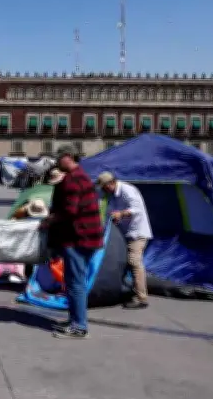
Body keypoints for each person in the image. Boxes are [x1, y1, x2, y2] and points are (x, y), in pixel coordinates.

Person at [40, 145, 103, 339]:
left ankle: (79, 326)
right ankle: (75, 319)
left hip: (78, 238)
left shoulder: (73, 179)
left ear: (67, 157)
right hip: (87, 237)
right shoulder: (82, 176)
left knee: (75, 283)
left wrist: (49, 220)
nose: (57, 162)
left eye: (59, 158)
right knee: (73, 281)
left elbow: (70, 211)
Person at [97, 171, 152, 310]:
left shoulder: (127, 190)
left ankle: (142, 298)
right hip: (125, 233)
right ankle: (130, 292)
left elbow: (136, 209)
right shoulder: (111, 195)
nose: (103, 190)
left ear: (111, 183)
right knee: (125, 262)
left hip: (137, 233)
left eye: (104, 187)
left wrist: (121, 214)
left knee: (134, 262)